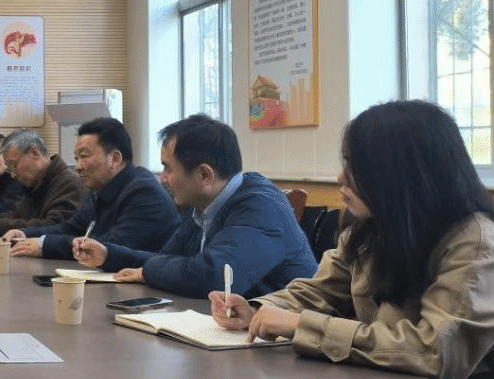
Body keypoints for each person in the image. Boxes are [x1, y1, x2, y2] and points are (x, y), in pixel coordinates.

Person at [211, 100, 494, 379]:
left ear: (403, 173)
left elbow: (434, 353)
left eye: (357, 167)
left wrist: (303, 326)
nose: (340, 177)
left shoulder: (475, 244)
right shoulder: (371, 227)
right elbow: (319, 292)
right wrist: (257, 309)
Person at [74, 114, 315, 297]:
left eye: (168, 168)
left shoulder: (262, 207)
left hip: (280, 339)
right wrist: (109, 254)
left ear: (204, 175)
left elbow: (214, 275)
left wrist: (148, 272)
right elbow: (165, 259)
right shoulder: (199, 203)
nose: (162, 179)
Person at [3, 117, 178, 258]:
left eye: (84, 156)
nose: (78, 166)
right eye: (76, 158)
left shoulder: (144, 193)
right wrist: (25, 233)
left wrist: (44, 245)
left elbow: (109, 246)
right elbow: (70, 228)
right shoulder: (97, 190)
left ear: (114, 159)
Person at [0, 129, 84, 241]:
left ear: (35, 153)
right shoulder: (36, 183)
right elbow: (19, 215)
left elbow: (56, 226)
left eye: (14, 166)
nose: (13, 175)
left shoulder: (69, 183)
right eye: (10, 169)